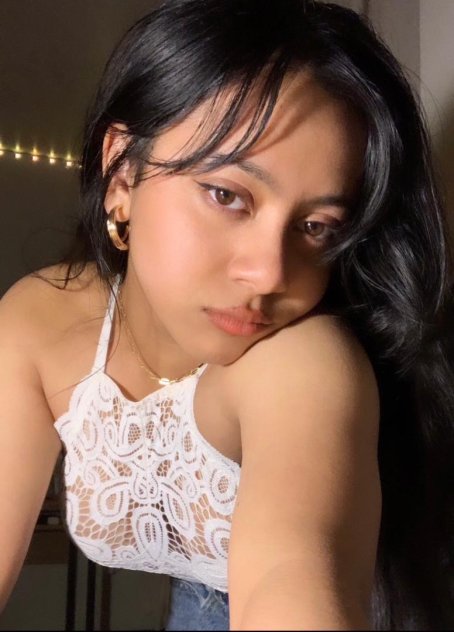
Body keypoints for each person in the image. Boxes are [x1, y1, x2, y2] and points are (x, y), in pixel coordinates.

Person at [1, 0, 453, 629]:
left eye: (317, 227)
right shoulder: (40, 322)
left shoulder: (304, 361)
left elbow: (288, 575)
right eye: (227, 195)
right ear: (122, 171)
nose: (270, 275)